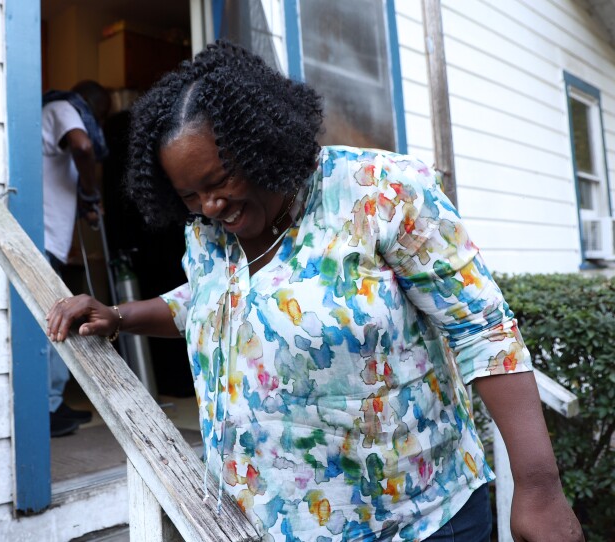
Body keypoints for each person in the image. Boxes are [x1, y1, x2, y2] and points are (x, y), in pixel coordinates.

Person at [45, 42, 583, 541]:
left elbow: (482, 329)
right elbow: (216, 302)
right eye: (191, 194)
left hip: (416, 522)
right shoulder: (211, 236)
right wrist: (119, 315)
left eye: (219, 180)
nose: (209, 206)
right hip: (267, 523)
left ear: (262, 143)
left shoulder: (379, 191)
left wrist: (538, 487)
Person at [41, 80, 111, 436]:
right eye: (100, 115)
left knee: (54, 317)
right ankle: (48, 407)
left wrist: (84, 202)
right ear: (91, 105)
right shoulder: (64, 108)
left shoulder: (58, 115)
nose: (95, 125)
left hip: (51, 237)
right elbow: (83, 147)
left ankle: (54, 402)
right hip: (42, 235)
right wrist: (88, 188)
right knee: (51, 320)